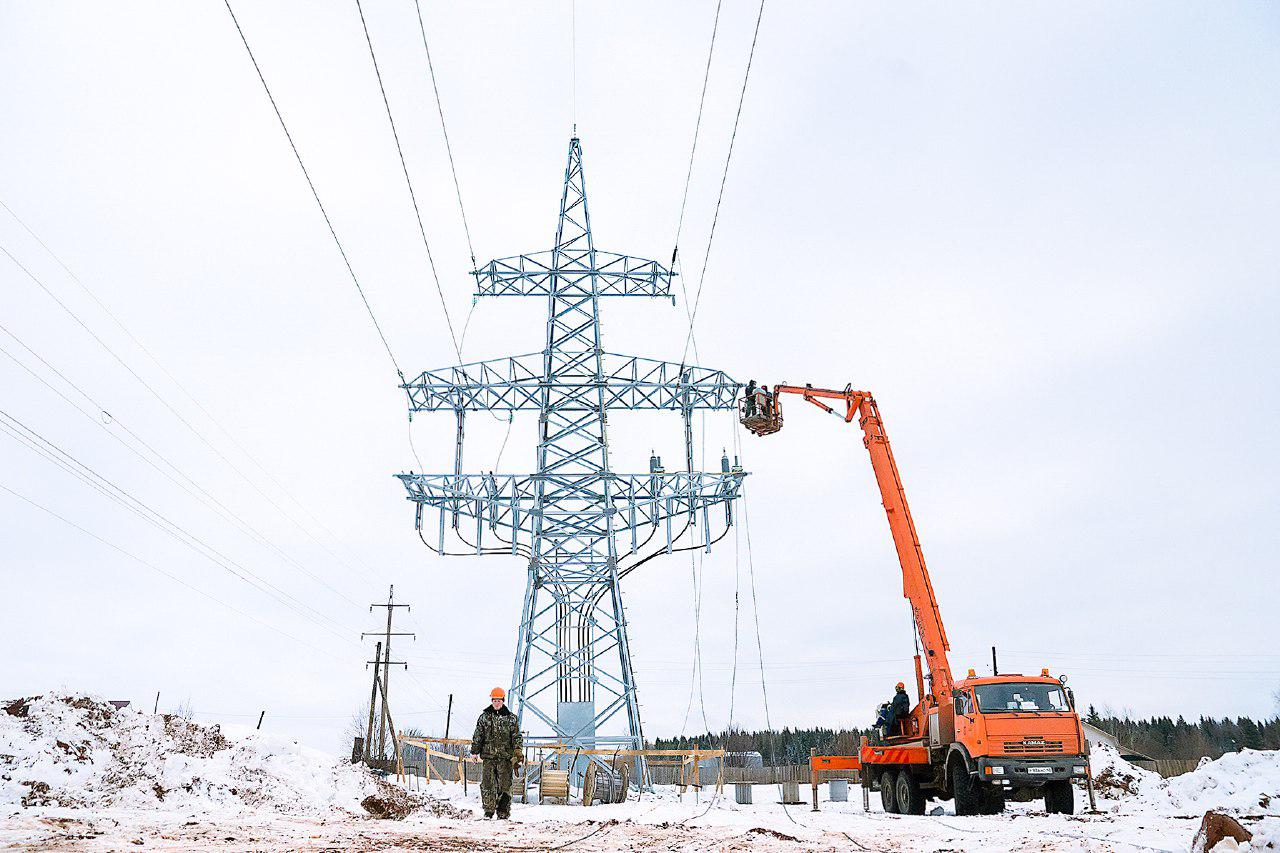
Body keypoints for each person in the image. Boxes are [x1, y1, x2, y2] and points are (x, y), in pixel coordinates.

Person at [471, 687, 523, 819]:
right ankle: (488, 811)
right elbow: (478, 735)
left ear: (503, 700)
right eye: (494, 700)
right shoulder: (484, 718)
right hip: (488, 757)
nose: (496, 703)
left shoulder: (511, 719)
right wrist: (475, 752)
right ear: (491, 700)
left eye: (499, 700)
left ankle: (503, 812)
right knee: (487, 784)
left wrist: (517, 752)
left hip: (505, 758)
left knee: (504, 786)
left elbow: (516, 737)